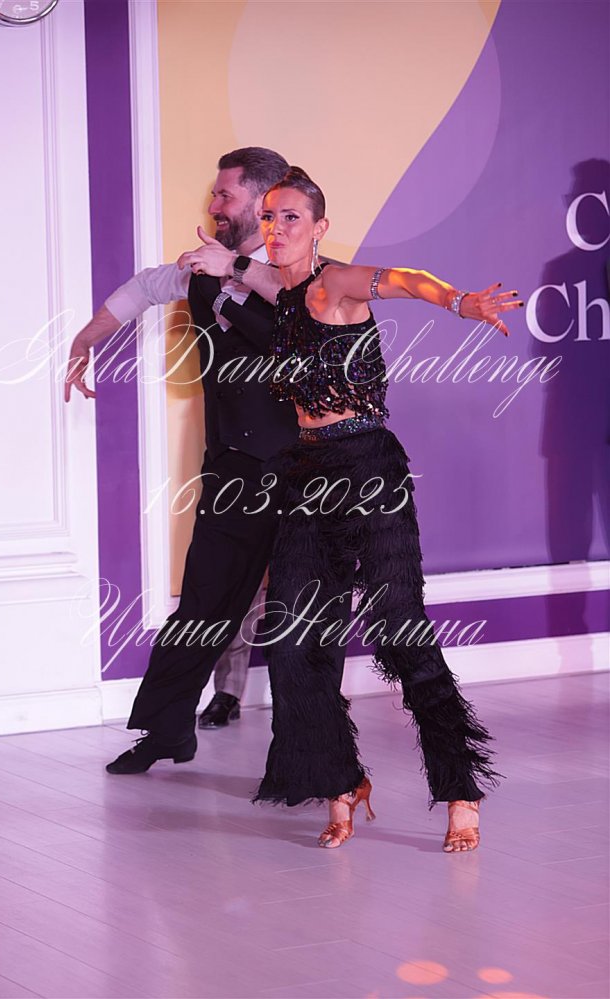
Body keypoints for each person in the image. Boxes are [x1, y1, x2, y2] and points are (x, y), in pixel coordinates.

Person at [250, 167, 520, 851]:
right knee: (292, 639)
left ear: (319, 227)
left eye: (290, 217)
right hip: (307, 473)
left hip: (368, 467)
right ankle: (342, 782)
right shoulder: (280, 295)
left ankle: (460, 788)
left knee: (400, 631)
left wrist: (459, 302)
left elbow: (404, 278)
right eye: (268, 216)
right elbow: (245, 272)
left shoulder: (335, 284)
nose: (275, 228)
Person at [65, 148, 298, 763]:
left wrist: (239, 266)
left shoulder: (300, 267)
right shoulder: (200, 268)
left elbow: (306, 309)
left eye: (225, 195)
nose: (213, 205)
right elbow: (143, 288)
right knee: (201, 602)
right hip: (233, 466)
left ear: (264, 200)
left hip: (306, 468)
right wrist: (86, 339)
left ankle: (307, 752)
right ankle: (167, 729)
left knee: (301, 610)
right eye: (215, 194)